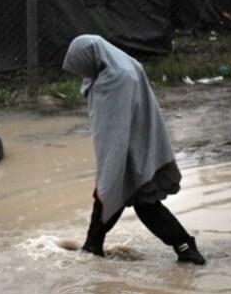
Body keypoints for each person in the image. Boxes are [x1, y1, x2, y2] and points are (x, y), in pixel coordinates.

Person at [62, 34, 205, 265]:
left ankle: (91, 252)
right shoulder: (123, 67)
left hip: (130, 149)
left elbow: (111, 133)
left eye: (81, 67)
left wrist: (111, 167)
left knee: (110, 193)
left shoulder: (114, 80)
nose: (82, 75)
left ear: (90, 58)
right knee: (143, 202)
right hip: (141, 146)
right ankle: (185, 247)